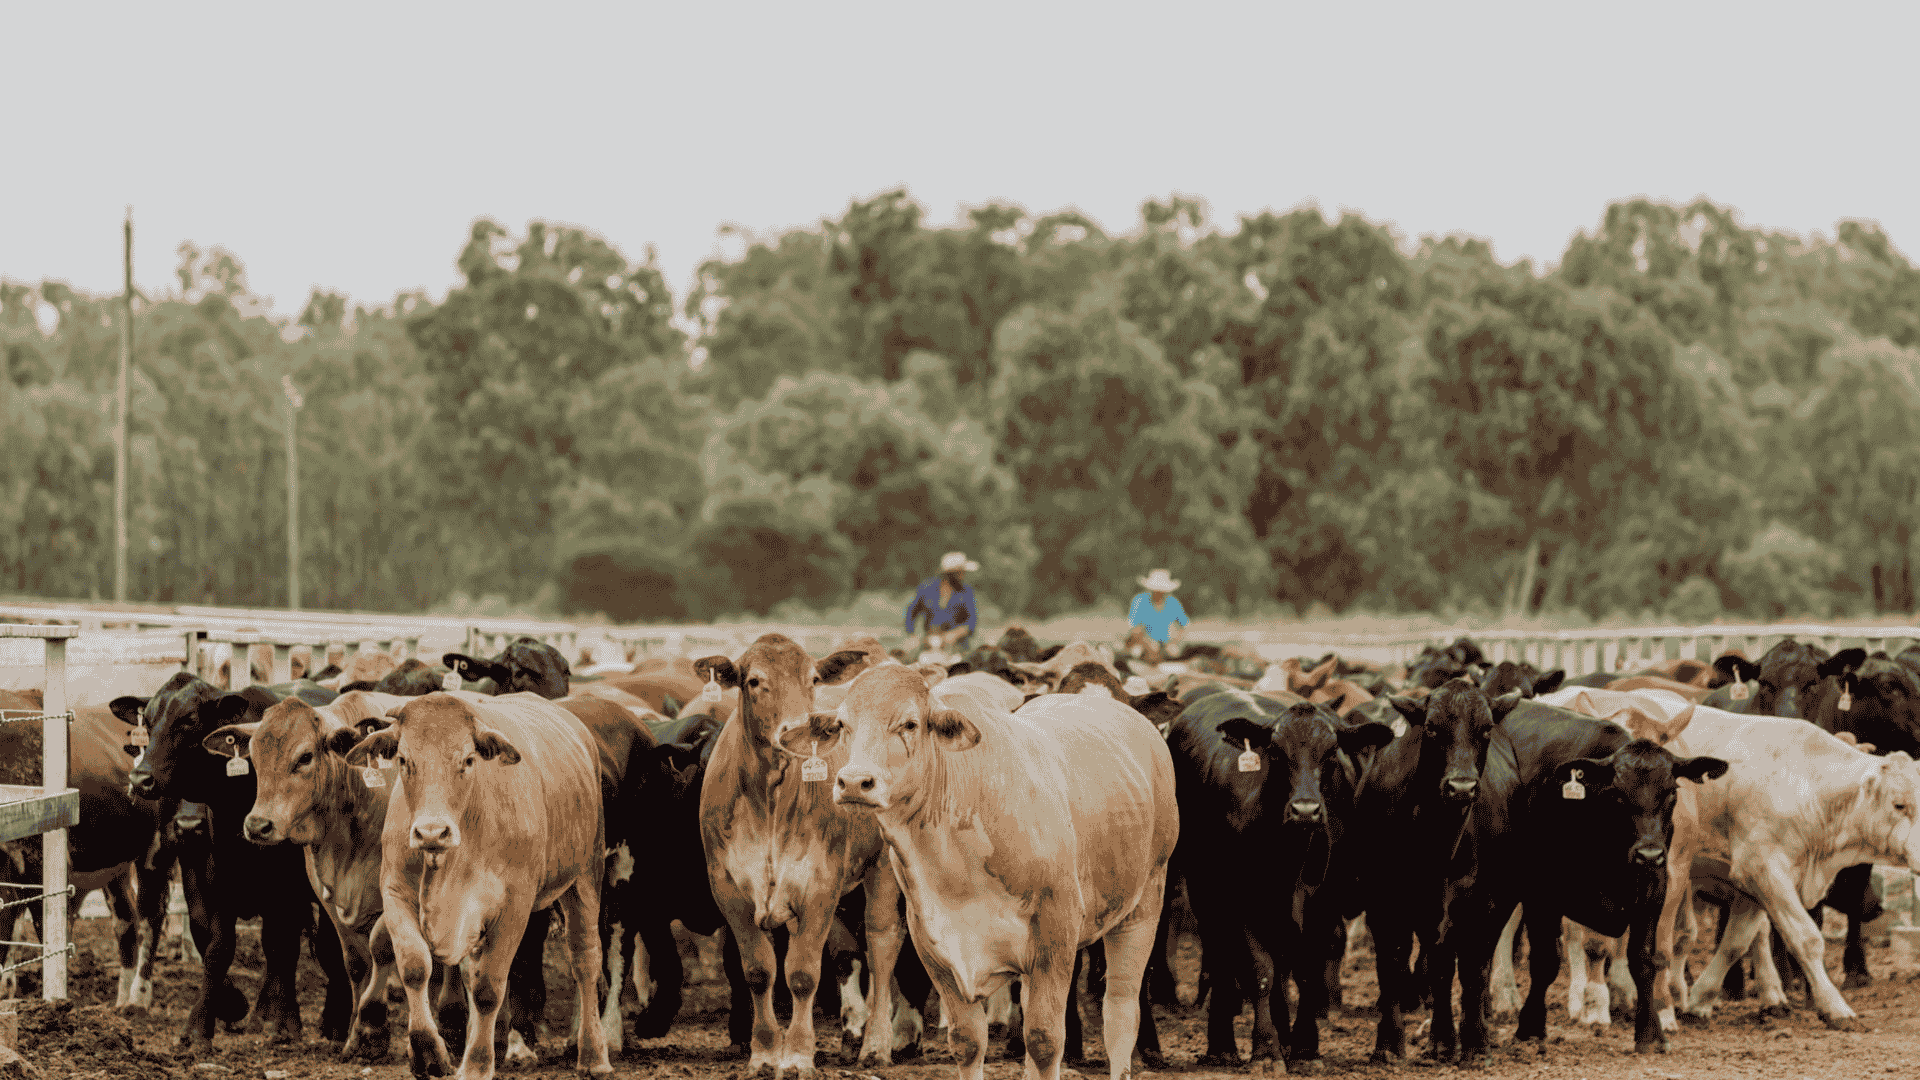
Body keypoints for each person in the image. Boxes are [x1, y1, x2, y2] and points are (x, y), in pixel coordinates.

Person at [904, 552, 979, 655]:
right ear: (951, 574)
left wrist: (955, 634)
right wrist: (911, 635)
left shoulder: (966, 592)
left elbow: (972, 622)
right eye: (961, 572)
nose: (963, 575)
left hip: (956, 647)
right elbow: (912, 612)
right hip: (929, 642)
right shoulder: (927, 588)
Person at [1128, 568, 1189, 657]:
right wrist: (1146, 642)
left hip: (1165, 643)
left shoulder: (1173, 602)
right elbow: (1134, 629)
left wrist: (1173, 642)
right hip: (1142, 642)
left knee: (1174, 653)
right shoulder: (1139, 601)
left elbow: (1184, 625)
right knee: (1136, 652)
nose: (1159, 593)